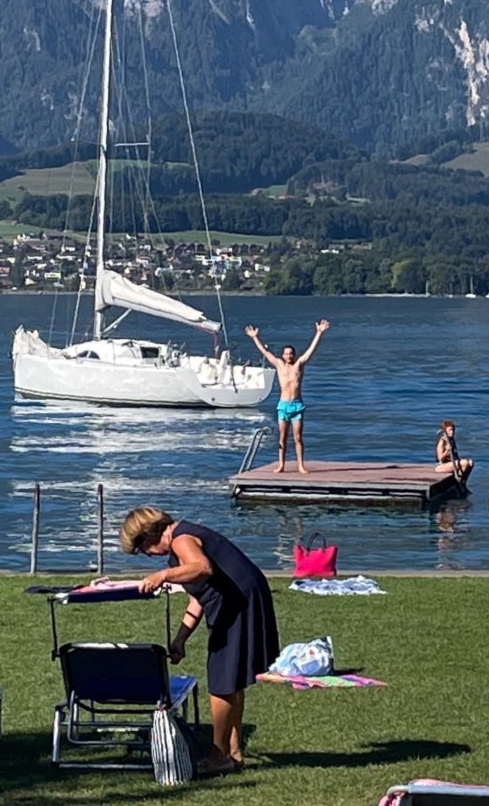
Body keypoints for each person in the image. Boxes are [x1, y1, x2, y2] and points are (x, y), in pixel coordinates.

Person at [121, 506, 279, 776]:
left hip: (238, 604)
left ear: (151, 532)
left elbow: (201, 568)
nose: (147, 555)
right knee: (231, 680)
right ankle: (233, 752)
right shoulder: (183, 542)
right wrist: (180, 638)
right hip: (242, 599)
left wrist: (163, 576)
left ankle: (219, 755)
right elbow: (199, 595)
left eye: (142, 547)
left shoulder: (182, 539)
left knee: (222, 681)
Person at [245, 320, 329, 473]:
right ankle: (281, 465)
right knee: (282, 437)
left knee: (297, 437)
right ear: (283, 355)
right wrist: (254, 337)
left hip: (297, 405)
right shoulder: (278, 364)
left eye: (291, 354)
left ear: (294, 355)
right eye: (286, 353)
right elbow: (265, 352)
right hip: (283, 405)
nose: (289, 356)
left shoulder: (299, 365)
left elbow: (311, 350)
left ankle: (300, 465)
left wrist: (319, 333)